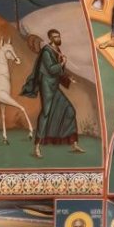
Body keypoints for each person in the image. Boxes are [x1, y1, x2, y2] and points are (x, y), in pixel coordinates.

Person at [21, 29, 83, 158]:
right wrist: (62, 63)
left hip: (54, 86)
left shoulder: (56, 51)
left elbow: (58, 71)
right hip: (47, 86)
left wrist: (67, 78)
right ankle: (37, 146)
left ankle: (73, 143)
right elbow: (51, 69)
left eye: (59, 36)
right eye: (55, 36)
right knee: (46, 113)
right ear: (50, 38)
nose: (58, 38)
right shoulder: (46, 52)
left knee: (69, 110)